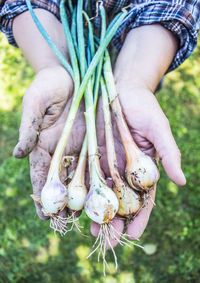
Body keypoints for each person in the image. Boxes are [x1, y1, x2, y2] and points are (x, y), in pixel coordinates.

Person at [0, 0, 199, 247]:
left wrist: (136, 81)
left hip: (130, 46)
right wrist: (51, 66)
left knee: (99, 61)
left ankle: (114, 69)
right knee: (96, 61)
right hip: (69, 42)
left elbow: (174, 5)